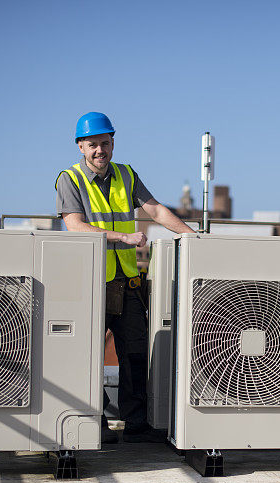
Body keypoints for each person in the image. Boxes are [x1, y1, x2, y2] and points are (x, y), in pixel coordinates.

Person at [55, 112, 194, 443]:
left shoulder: (126, 175)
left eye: (105, 143)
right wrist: (123, 237)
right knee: (86, 354)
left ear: (113, 143)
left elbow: (156, 210)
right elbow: (74, 225)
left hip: (128, 283)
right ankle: (95, 420)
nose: (99, 150)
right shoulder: (69, 179)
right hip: (91, 283)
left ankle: (135, 422)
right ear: (80, 147)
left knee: (134, 353)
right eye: (92, 145)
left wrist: (193, 237)